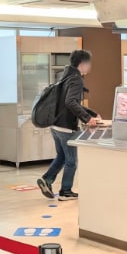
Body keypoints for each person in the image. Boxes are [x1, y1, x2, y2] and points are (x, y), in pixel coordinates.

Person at [36, 49, 99, 201]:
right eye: (89, 63)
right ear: (82, 63)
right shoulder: (76, 79)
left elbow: (70, 102)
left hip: (55, 124)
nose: (90, 67)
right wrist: (87, 118)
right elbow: (70, 102)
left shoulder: (65, 76)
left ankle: (47, 179)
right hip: (66, 127)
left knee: (62, 157)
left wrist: (92, 113)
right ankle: (65, 191)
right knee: (71, 161)